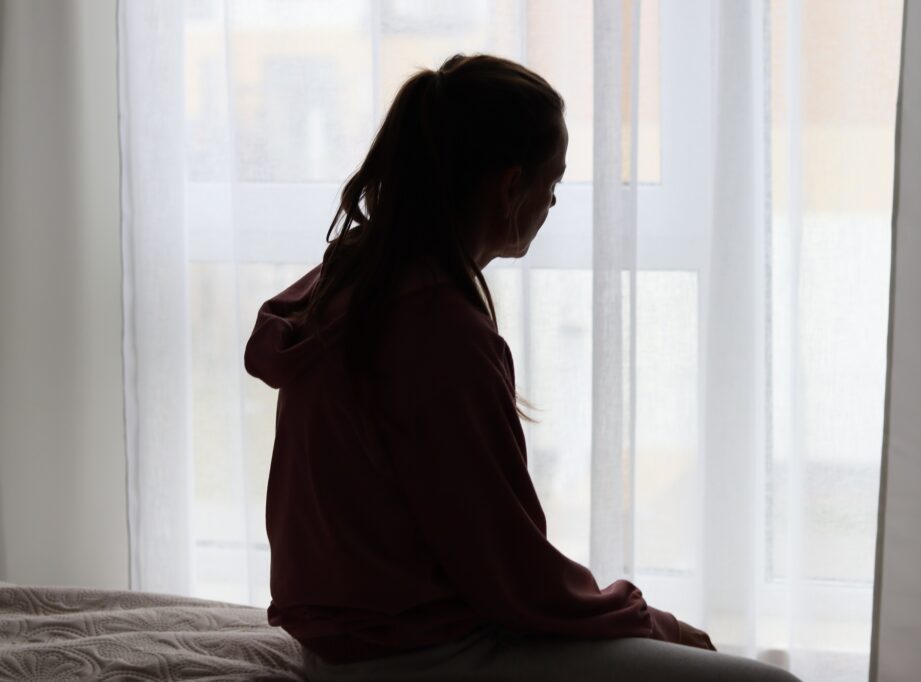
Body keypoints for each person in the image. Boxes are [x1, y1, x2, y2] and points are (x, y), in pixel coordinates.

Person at [245, 53, 800, 682]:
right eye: (553, 182)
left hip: (343, 642)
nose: (554, 202)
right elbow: (513, 576)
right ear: (510, 186)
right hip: (417, 652)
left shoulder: (349, 285)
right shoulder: (436, 331)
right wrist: (651, 621)